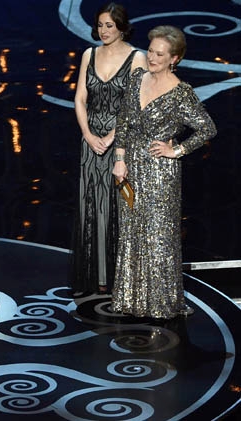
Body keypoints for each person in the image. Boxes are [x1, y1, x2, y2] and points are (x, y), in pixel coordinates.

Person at [111, 25, 217, 319]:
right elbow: (125, 122)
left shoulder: (181, 93)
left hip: (161, 174)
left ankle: (160, 303)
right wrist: (119, 159)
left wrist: (177, 150)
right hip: (130, 168)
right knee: (132, 232)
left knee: (158, 236)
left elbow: (207, 128)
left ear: (175, 58)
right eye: (150, 51)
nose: (152, 57)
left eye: (159, 54)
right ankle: (130, 299)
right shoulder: (136, 79)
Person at [70, 2, 147, 296]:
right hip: (91, 143)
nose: (103, 31)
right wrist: (88, 135)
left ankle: (118, 276)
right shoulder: (89, 54)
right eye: (100, 25)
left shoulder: (137, 58)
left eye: (109, 26)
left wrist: (114, 135)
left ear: (122, 27)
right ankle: (95, 274)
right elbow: (80, 99)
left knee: (117, 209)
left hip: (121, 144)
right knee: (92, 206)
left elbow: (135, 105)